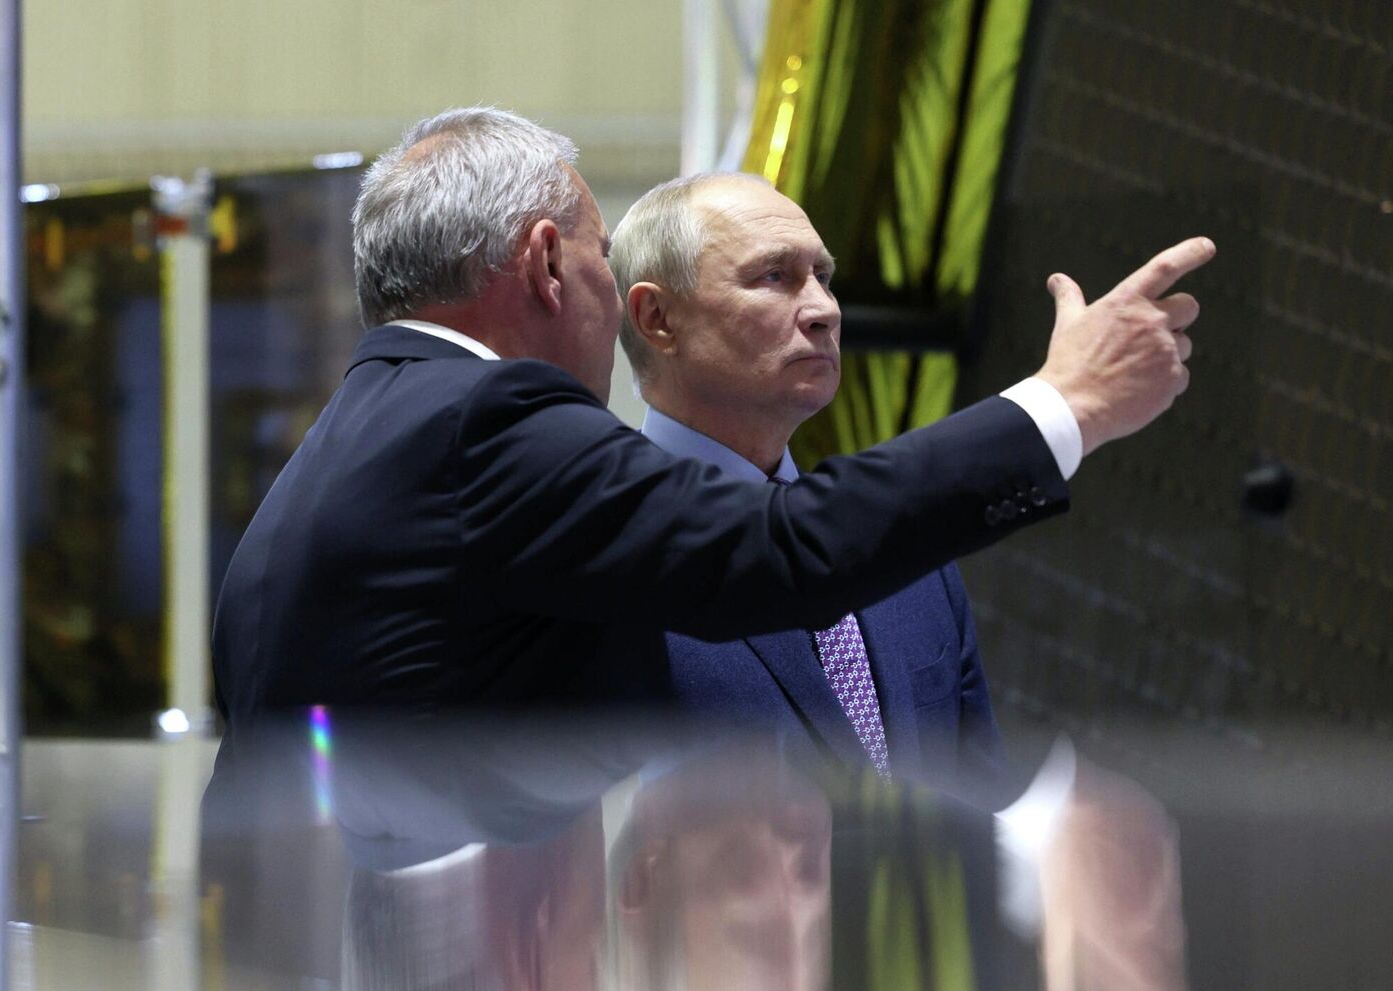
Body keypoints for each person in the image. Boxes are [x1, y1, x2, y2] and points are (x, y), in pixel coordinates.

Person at [211, 106, 1208, 725]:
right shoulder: (488, 418)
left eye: (824, 276)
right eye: (602, 258)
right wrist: (1065, 403)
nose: (822, 308)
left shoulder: (336, 453)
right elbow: (781, 549)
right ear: (549, 262)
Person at [612, 171, 1026, 802]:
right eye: (774, 276)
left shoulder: (909, 555)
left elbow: (981, 805)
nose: (825, 310)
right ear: (657, 318)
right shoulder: (605, 562)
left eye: (824, 277)